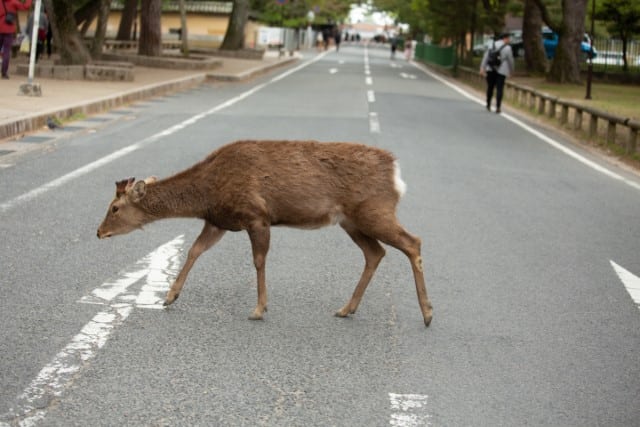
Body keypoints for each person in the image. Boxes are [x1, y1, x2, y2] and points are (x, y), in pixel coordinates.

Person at [479, 32, 515, 114]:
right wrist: (511, 71)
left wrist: (482, 67)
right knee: (500, 88)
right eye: (508, 38)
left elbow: (486, 57)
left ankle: (488, 104)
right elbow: (510, 61)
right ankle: (498, 107)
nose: (509, 40)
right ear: (505, 38)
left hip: (490, 69)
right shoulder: (508, 48)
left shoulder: (491, 45)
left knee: (490, 87)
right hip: (502, 71)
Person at [0, 0, 33, 79]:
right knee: (6, 51)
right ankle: (4, 72)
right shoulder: (13, 2)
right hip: (9, 29)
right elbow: (25, 7)